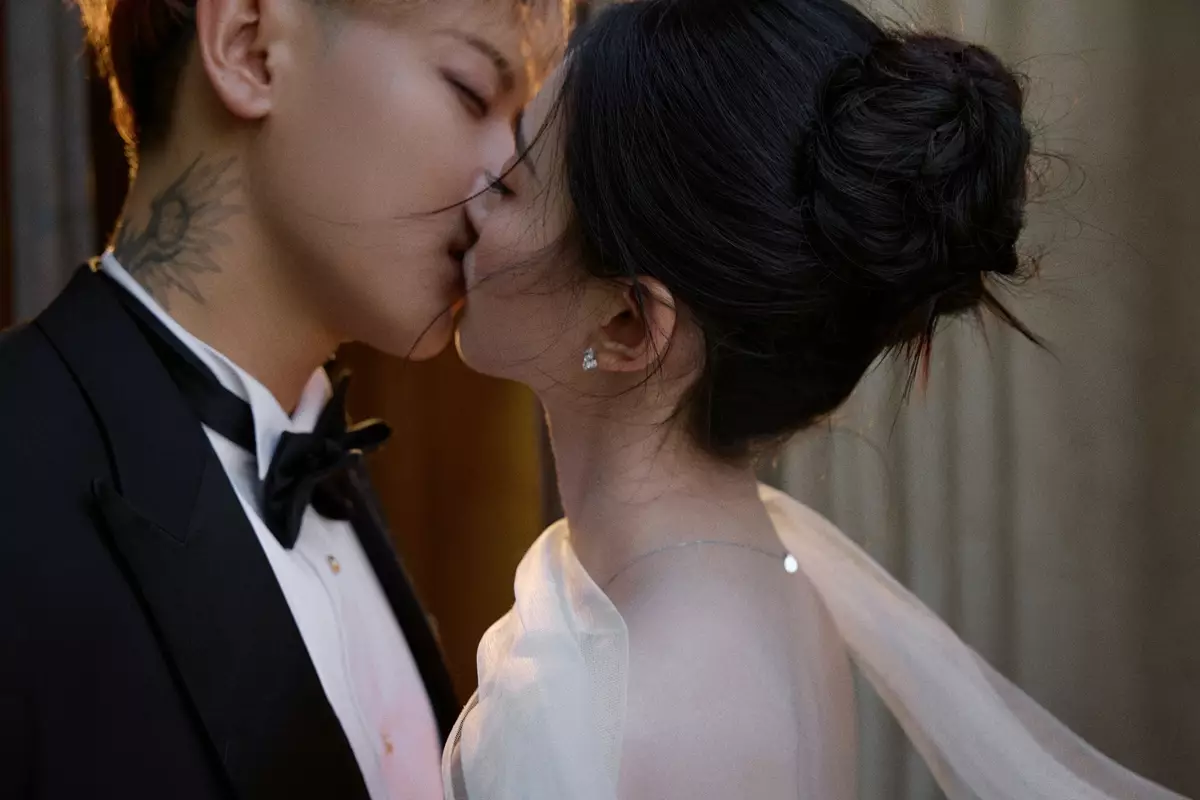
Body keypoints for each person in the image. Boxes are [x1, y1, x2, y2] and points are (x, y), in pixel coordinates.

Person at [445, 1, 1190, 798]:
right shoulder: (767, 584)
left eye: (513, 186)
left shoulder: (628, 712)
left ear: (629, 324)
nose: (471, 192)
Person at [0, 0, 561, 798]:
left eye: (521, 124)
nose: (509, 174)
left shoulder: (339, 486)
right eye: (470, 90)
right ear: (250, 46)